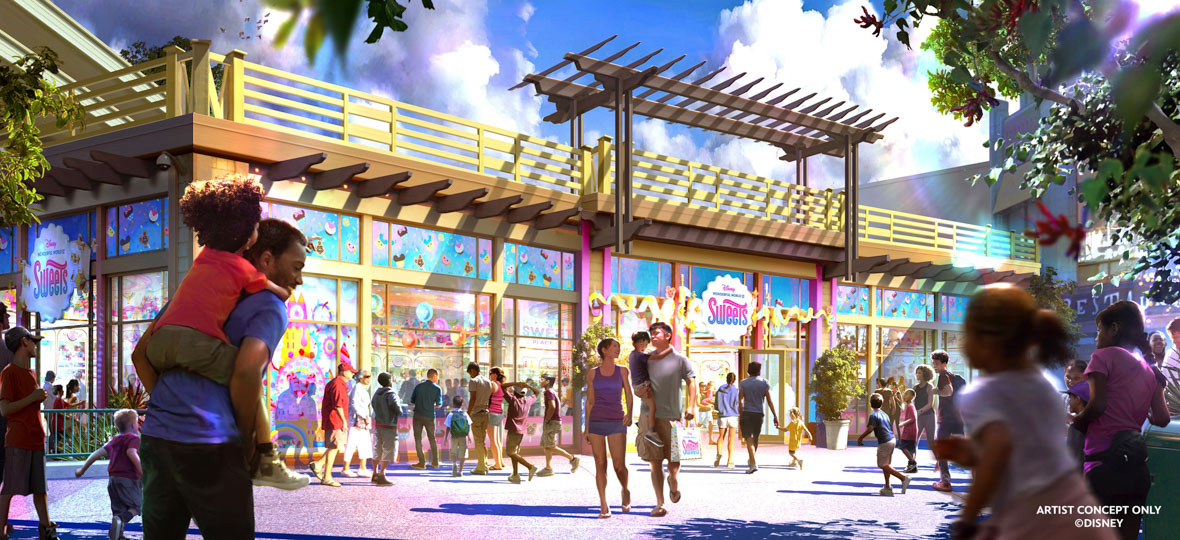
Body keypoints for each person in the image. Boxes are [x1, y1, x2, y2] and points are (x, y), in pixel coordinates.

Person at [132, 217, 307, 538]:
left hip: (158, 440)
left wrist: (165, 407)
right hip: (211, 444)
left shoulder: (191, 293)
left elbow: (140, 355)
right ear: (266, 258)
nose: (299, 278)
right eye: (296, 267)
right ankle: (267, 459)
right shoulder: (270, 304)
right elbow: (246, 371)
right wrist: (244, 445)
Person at [142, 177, 297, 489]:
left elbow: (138, 355)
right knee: (250, 380)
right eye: (255, 224)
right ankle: (266, 457)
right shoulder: (243, 268)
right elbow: (273, 291)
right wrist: (284, 290)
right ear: (247, 234)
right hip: (194, 343)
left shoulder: (202, 260)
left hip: (161, 342)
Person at [933, 285, 1116, 540]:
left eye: (968, 334)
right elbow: (1024, 445)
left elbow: (996, 456)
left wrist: (967, 521)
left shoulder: (983, 393)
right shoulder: (1045, 386)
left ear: (987, 340)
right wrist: (972, 451)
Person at [1071, 301, 1170, 540]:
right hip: (1137, 470)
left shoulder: (1102, 357)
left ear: (1113, 328)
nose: (1096, 338)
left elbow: (1097, 406)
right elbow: (1162, 418)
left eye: (1098, 331)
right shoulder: (1148, 369)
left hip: (1103, 467)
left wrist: (1075, 421)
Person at [0, 326, 56, 540]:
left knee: (40, 490)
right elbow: (4, 409)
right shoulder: (9, 373)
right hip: (18, 440)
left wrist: (34, 398)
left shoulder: (30, 373)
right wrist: (32, 398)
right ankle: (1, 533)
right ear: (23, 342)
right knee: (10, 489)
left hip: (35, 439)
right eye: (32, 341)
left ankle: (47, 530)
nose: (35, 345)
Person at [636, 321, 696, 517]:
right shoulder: (645, 359)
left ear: (668, 335)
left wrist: (690, 406)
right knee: (654, 461)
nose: (653, 336)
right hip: (648, 415)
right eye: (651, 333)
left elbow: (691, 382)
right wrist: (639, 391)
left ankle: (673, 478)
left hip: (672, 417)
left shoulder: (680, 359)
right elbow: (637, 382)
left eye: (657, 333)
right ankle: (660, 503)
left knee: (674, 459)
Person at [585, 338, 634, 518]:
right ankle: (603, 505)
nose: (618, 350)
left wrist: (629, 413)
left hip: (616, 421)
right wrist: (586, 427)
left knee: (619, 466)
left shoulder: (622, 371)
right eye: (615, 347)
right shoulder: (592, 373)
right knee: (600, 464)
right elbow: (589, 402)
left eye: (618, 347)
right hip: (596, 421)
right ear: (604, 350)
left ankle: (625, 489)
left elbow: (628, 393)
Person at [74, 409, 142, 540]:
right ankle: (121, 520)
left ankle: (118, 534)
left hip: (113, 480)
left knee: (118, 508)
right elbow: (131, 453)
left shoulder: (114, 440)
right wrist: (140, 470)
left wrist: (82, 470)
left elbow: (96, 454)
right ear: (134, 425)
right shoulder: (133, 438)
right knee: (136, 505)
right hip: (129, 479)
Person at [310, 362, 357, 487]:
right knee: (334, 448)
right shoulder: (338, 384)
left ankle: (318, 465)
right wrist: (344, 421)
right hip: (336, 420)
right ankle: (327, 477)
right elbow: (338, 405)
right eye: (351, 372)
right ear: (345, 372)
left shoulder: (336, 383)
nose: (353, 374)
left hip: (334, 419)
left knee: (333, 446)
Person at [857, 393, 911, 497]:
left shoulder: (873, 415)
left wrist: (861, 437)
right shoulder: (884, 414)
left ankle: (904, 478)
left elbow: (870, 429)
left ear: (870, 404)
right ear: (881, 404)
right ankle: (887, 487)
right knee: (886, 465)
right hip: (892, 440)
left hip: (885, 442)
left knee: (882, 465)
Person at [931, 349, 965, 492]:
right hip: (957, 418)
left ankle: (945, 481)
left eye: (937, 363)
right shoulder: (952, 375)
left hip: (946, 418)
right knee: (965, 449)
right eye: (933, 363)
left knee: (940, 448)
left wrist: (934, 391)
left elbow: (948, 391)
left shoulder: (943, 376)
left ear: (944, 363)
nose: (934, 366)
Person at [738, 361, 778, 474]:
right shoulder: (764, 383)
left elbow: (740, 400)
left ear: (748, 371)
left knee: (748, 439)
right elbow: (770, 401)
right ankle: (752, 460)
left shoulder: (743, 383)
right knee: (755, 438)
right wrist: (775, 416)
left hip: (747, 412)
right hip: (759, 413)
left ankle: (753, 462)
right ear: (759, 371)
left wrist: (740, 413)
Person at [537, 374, 579, 477]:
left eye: (542, 379)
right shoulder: (550, 392)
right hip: (553, 421)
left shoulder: (548, 392)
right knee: (547, 445)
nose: (540, 381)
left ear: (547, 381)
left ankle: (572, 459)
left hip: (552, 421)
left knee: (550, 445)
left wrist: (547, 419)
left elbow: (552, 406)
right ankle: (548, 468)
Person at [501, 380, 541, 484]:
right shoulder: (528, 400)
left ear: (515, 392)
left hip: (513, 430)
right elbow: (537, 392)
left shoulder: (513, 399)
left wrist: (515, 383)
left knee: (511, 452)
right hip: (521, 431)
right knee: (515, 453)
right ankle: (515, 475)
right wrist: (527, 386)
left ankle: (530, 467)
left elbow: (502, 387)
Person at [629, 331, 661, 448]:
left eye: (646, 344)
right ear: (634, 343)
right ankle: (651, 431)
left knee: (650, 406)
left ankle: (643, 424)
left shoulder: (633, 355)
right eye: (641, 344)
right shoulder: (639, 356)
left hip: (638, 387)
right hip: (643, 386)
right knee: (653, 406)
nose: (644, 347)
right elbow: (654, 358)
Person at [340, 370, 374, 478]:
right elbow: (354, 404)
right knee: (351, 444)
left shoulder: (361, 389)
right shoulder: (358, 388)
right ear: (361, 378)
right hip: (356, 421)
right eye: (367, 376)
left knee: (364, 444)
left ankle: (362, 467)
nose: (369, 379)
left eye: (370, 376)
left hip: (362, 421)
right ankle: (346, 468)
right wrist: (364, 416)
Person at [409, 368, 444, 469]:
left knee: (418, 439)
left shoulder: (418, 386)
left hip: (417, 415)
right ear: (434, 376)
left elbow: (412, 401)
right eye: (437, 377)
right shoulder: (437, 389)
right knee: (432, 438)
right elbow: (439, 405)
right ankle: (435, 462)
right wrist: (430, 404)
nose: (437, 379)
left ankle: (421, 462)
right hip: (429, 416)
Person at [370, 372, 399, 486]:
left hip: (379, 424)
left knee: (378, 448)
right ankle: (382, 475)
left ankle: (375, 473)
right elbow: (396, 407)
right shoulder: (391, 393)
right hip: (389, 425)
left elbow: (373, 404)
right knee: (388, 449)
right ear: (388, 381)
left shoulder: (376, 393)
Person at [466, 363, 494, 475]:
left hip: (476, 413)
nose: (470, 376)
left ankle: (481, 467)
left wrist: (468, 413)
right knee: (482, 440)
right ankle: (484, 463)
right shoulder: (488, 381)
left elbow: (472, 398)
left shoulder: (474, 381)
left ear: (472, 370)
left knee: (478, 441)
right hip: (485, 412)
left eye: (470, 373)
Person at [912, 364, 936, 472]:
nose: (917, 374)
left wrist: (919, 411)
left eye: (920, 372)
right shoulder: (915, 388)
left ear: (925, 374)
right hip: (918, 417)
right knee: (914, 440)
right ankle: (912, 462)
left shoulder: (930, 387)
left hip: (929, 416)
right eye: (917, 372)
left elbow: (930, 404)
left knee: (931, 441)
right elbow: (912, 402)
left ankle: (939, 463)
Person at [713, 372, 739, 469]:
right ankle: (730, 461)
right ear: (734, 380)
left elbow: (716, 404)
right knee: (731, 439)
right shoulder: (736, 391)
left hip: (722, 415)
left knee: (721, 436)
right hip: (733, 416)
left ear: (726, 379)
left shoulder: (719, 391)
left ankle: (719, 452)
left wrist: (720, 409)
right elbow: (738, 403)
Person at [443, 396, 472, 477]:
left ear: (453, 404)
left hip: (454, 436)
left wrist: (446, 438)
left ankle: (454, 463)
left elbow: (448, 427)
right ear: (462, 405)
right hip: (463, 436)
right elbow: (468, 425)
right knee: (463, 453)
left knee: (454, 452)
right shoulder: (465, 414)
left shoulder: (451, 414)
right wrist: (469, 436)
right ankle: (460, 471)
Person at [1063, 380, 1089, 471]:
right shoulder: (1099, 423)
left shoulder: (1075, 429)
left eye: (1070, 398)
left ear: (1078, 400)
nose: (1068, 401)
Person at [487, 367, 506, 470]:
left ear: (495, 374)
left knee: (493, 441)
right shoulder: (501, 385)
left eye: (490, 373)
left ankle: (497, 464)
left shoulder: (493, 384)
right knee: (497, 440)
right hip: (499, 413)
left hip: (492, 413)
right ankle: (500, 461)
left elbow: (486, 397)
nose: (490, 375)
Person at [897, 389, 918, 473]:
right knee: (911, 449)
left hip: (909, 431)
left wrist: (902, 424)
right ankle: (912, 466)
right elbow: (902, 407)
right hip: (912, 431)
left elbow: (913, 418)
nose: (905, 396)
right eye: (904, 394)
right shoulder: (909, 405)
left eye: (906, 394)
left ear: (912, 396)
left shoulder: (910, 406)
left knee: (903, 447)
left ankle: (913, 463)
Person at [49, 386, 66, 454]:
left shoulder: (60, 400)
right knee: (60, 437)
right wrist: (65, 416)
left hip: (60, 423)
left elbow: (68, 405)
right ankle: (57, 451)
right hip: (58, 423)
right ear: (59, 391)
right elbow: (57, 411)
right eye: (62, 390)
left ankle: (56, 450)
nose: (63, 391)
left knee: (58, 437)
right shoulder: (58, 400)